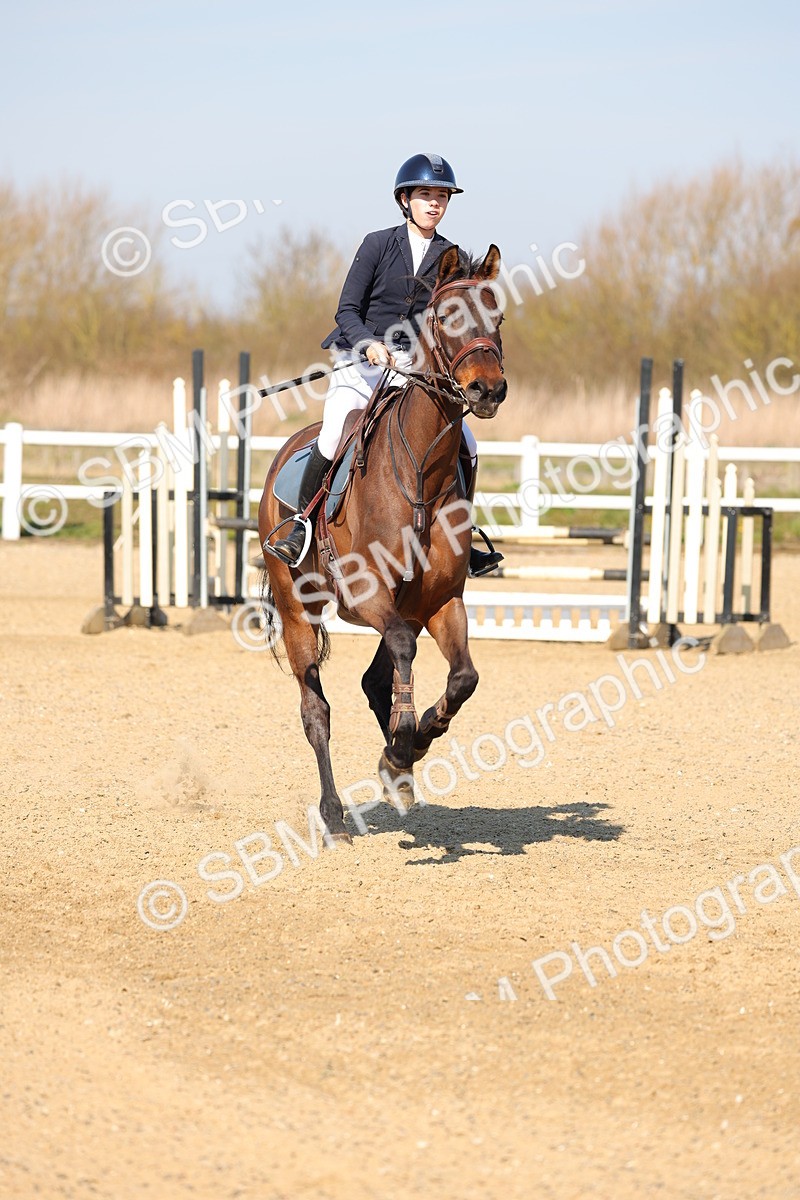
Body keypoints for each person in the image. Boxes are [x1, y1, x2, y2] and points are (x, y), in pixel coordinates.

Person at [271, 152, 503, 577]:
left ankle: (460, 538)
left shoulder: (449, 255)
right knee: (333, 433)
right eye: (426, 195)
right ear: (405, 200)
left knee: (468, 443)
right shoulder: (377, 244)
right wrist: (369, 345)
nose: (434, 203)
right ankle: (301, 525)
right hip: (361, 365)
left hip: (413, 372)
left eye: (441, 196)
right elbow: (346, 310)